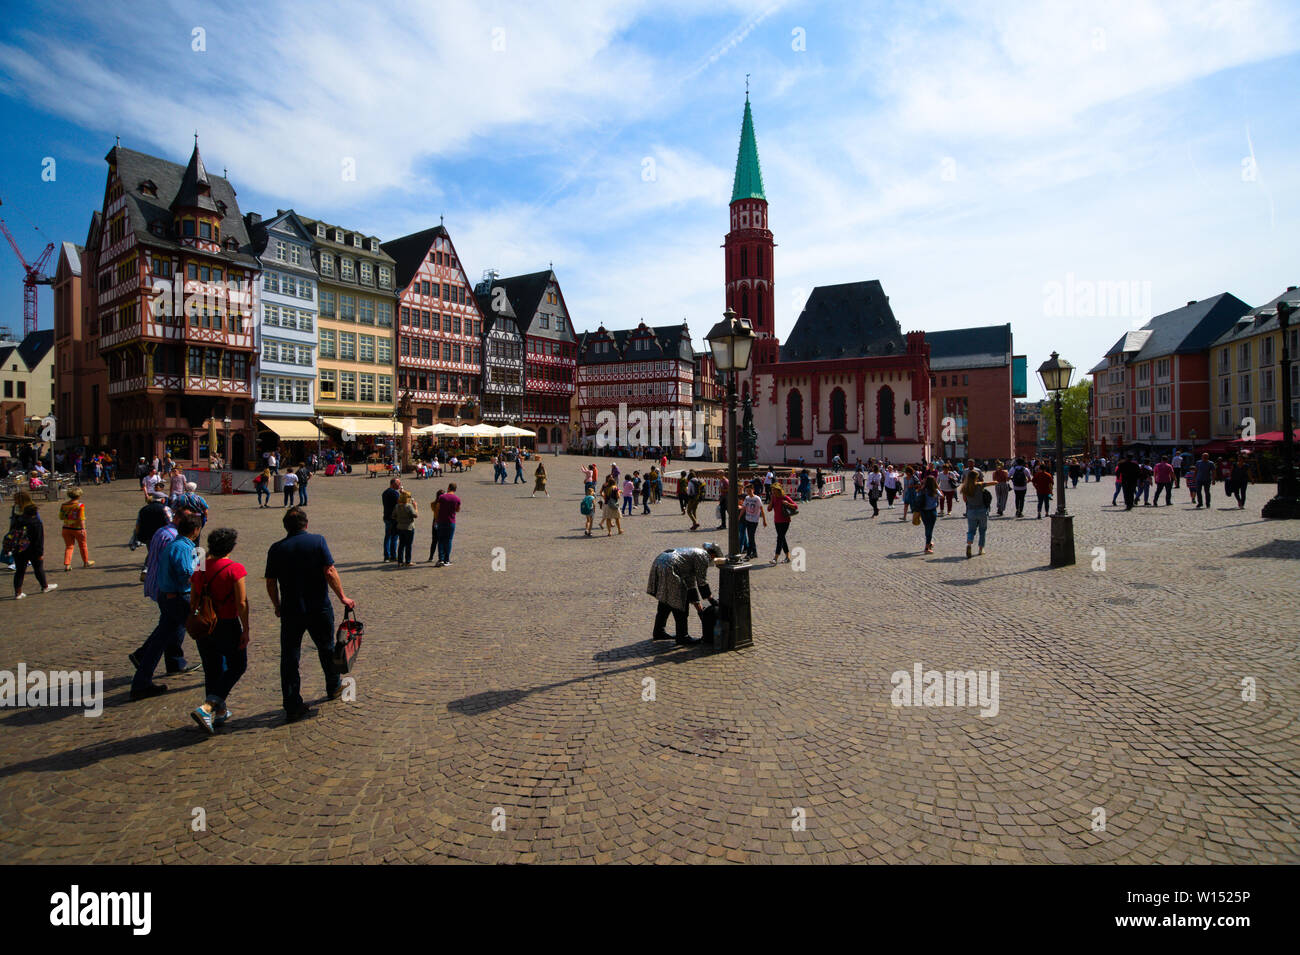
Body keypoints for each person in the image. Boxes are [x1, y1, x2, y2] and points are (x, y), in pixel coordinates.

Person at [265, 506, 356, 723]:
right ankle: (333, 686)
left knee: (289, 657)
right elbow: (330, 571)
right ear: (306, 524)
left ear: (286, 527)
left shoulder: (276, 549)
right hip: (318, 607)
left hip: (291, 609)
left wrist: (277, 605)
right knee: (326, 648)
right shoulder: (317, 541)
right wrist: (342, 596)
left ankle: (292, 703)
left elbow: (270, 582)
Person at [131, 513, 202, 698]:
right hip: (178, 597)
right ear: (196, 531)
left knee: (159, 640)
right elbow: (186, 572)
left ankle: (141, 681)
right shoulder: (182, 547)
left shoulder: (175, 544)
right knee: (204, 632)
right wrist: (200, 564)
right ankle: (217, 673)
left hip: (167, 595)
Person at [188, 527, 249, 734]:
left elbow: (194, 598)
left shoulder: (201, 567)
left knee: (212, 668)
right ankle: (208, 707)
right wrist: (246, 629)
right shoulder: (235, 569)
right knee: (237, 665)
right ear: (230, 547)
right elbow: (241, 603)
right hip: (227, 623)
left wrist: (196, 617)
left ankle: (219, 712)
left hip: (206, 624)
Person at [647, 543, 725, 646]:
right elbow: (702, 582)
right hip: (670, 567)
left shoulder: (694, 554)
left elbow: (690, 585)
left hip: (660, 561)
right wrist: (711, 599)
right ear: (713, 555)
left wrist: (699, 609)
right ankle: (682, 637)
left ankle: (659, 631)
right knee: (680, 603)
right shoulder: (703, 557)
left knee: (665, 600)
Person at [11, 502, 57, 599]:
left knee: (20, 571)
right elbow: (39, 540)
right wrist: (40, 553)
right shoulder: (36, 523)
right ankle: (45, 586)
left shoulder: (18, 521)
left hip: (19, 549)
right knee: (38, 569)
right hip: (32, 550)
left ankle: (18, 593)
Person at [960, 469, 995, 557]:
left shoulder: (965, 487)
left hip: (971, 511)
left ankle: (969, 544)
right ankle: (981, 548)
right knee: (982, 530)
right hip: (982, 510)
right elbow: (994, 482)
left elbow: (965, 500)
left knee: (971, 530)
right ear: (976, 478)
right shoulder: (979, 485)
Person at [58, 487, 94, 571]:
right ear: (79, 496)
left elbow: (60, 517)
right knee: (83, 545)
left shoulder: (64, 505)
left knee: (69, 546)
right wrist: (83, 529)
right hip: (77, 528)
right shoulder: (80, 505)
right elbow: (81, 518)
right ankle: (85, 562)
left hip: (66, 528)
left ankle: (67, 564)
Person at [767, 483, 797, 563]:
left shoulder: (785, 497)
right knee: (782, 538)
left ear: (778, 490)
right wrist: (771, 500)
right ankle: (788, 557)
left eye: (774, 490)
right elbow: (769, 509)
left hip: (785, 521)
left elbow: (795, 506)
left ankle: (775, 558)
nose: (773, 492)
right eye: (772, 490)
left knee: (780, 538)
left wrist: (787, 503)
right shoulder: (773, 498)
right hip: (777, 521)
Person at [432, 482, 461, 565]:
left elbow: (437, 508)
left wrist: (436, 519)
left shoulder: (441, 497)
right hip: (451, 521)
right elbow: (457, 510)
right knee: (448, 540)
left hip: (441, 521)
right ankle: (447, 559)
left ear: (448, 488)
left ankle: (440, 559)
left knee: (440, 540)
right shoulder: (457, 499)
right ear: (455, 489)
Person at [739, 484, 766, 560]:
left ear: (753, 490)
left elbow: (762, 510)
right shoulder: (747, 498)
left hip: (754, 521)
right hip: (747, 519)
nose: (748, 492)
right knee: (751, 537)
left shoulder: (757, 498)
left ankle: (748, 554)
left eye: (750, 490)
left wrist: (764, 520)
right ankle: (754, 553)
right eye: (747, 491)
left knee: (751, 536)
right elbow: (744, 508)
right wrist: (739, 516)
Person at [916, 475, 940, 555]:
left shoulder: (922, 490)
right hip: (932, 511)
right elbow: (942, 496)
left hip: (923, 511)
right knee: (930, 529)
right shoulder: (935, 490)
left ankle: (929, 543)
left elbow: (917, 497)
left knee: (927, 527)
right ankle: (927, 547)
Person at [393, 490, 417, 567]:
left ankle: (400, 561)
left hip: (400, 527)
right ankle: (408, 561)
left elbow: (393, 516)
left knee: (401, 544)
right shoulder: (408, 506)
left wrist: (399, 519)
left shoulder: (397, 506)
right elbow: (415, 515)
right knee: (408, 545)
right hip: (409, 527)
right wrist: (415, 507)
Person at [381, 477, 401, 562]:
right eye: (398, 484)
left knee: (387, 537)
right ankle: (393, 555)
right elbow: (400, 504)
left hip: (386, 516)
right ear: (393, 484)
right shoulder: (395, 494)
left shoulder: (384, 493)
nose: (400, 485)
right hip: (394, 518)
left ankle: (387, 556)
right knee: (394, 537)